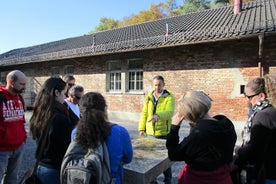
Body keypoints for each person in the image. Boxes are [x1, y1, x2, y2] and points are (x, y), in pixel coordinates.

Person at [166, 90, 237, 184]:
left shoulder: (198, 133)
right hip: (224, 178)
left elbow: (174, 155)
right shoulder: (226, 124)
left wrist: (174, 127)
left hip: (200, 180)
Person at [71, 92, 133, 184]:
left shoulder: (76, 132)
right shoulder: (120, 131)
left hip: (85, 180)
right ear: (104, 109)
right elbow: (128, 158)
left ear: (81, 112)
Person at [29, 77, 74, 184]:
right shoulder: (58, 117)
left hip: (41, 165)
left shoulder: (41, 112)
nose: (66, 96)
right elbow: (66, 145)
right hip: (53, 169)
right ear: (56, 92)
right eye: (64, 93)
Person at [232, 75, 276, 183]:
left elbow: (255, 150)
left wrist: (237, 150)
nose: (248, 100)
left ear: (261, 96)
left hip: (267, 173)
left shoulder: (263, 115)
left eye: (249, 97)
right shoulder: (270, 111)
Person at [138, 75, 175, 184]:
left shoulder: (169, 97)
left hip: (163, 133)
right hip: (150, 133)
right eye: (155, 85)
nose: (157, 87)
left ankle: (167, 180)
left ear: (163, 85)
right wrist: (141, 128)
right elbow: (144, 113)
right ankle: (152, 180)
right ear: (152, 85)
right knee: (151, 160)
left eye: (159, 85)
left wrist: (158, 115)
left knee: (164, 161)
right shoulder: (149, 97)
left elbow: (169, 112)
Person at [0, 70, 27, 184]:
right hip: (1, 149)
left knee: (12, 179)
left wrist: (23, 138)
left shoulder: (20, 99)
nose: (24, 87)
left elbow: (21, 120)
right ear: (11, 82)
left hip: (18, 147)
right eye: (22, 84)